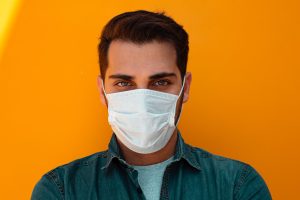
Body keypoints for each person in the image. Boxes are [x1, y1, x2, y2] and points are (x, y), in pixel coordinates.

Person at [31, 10, 272, 200]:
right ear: (102, 91)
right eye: (124, 83)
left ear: (185, 88)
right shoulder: (61, 191)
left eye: (160, 82)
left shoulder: (237, 187)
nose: (143, 99)